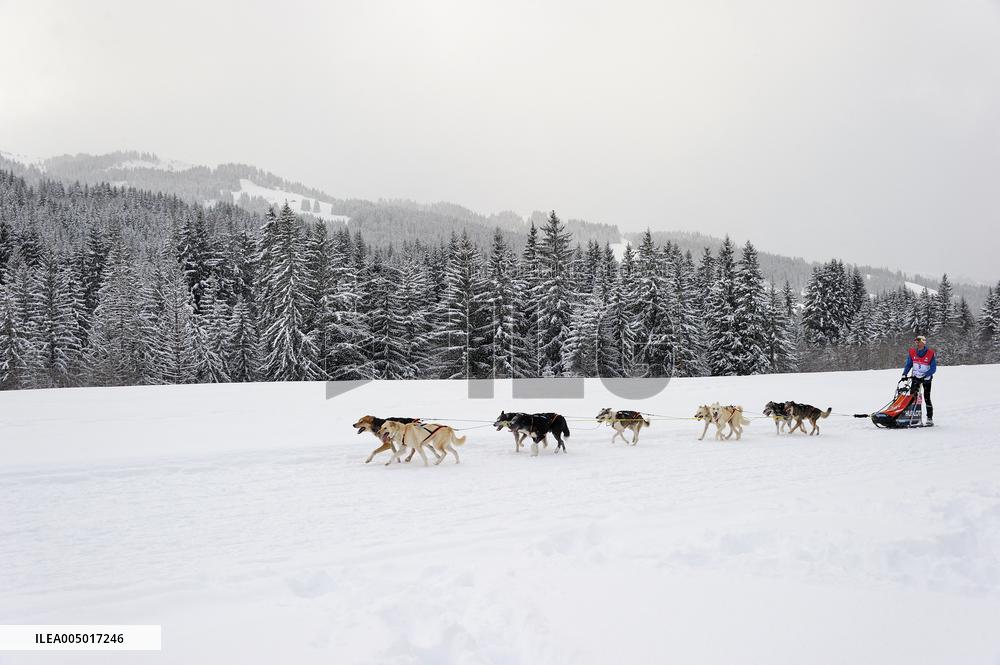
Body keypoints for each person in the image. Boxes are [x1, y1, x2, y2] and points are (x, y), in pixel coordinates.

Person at [902, 335, 936, 426]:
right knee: (912, 397)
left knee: (926, 398)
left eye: (918, 341)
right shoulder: (912, 352)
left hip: (926, 379)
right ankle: (911, 416)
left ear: (923, 342)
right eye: (916, 342)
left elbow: (933, 368)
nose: (917, 343)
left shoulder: (930, 353)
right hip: (916, 378)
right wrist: (904, 374)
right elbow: (909, 364)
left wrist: (926, 375)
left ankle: (929, 418)